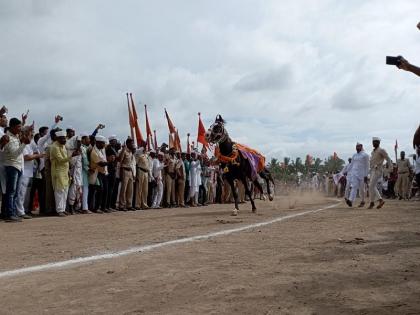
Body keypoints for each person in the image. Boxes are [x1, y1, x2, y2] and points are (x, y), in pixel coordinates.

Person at [3, 118, 31, 222]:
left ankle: (13, 213)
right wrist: (24, 144)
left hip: (18, 166)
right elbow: (15, 154)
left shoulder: (16, 136)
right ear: (12, 127)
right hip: (12, 166)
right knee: (11, 192)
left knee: (15, 192)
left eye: (20, 127)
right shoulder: (8, 137)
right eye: (18, 127)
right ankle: (9, 214)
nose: (20, 129)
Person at [50, 131, 79, 217]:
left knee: (65, 190)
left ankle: (62, 209)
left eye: (65, 138)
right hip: (58, 171)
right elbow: (61, 160)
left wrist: (68, 171)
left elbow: (65, 161)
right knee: (59, 191)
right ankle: (59, 210)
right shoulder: (54, 147)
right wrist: (71, 156)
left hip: (65, 171)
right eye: (62, 138)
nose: (64, 140)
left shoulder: (63, 146)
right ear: (57, 138)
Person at [368, 137, 393, 209]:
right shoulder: (373, 152)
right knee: (371, 186)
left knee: (371, 186)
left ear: (379, 143)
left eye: (376, 142)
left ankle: (380, 200)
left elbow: (388, 159)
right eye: (373, 142)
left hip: (378, 170)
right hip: (372, 170)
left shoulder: (381, 150)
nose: (374, 143)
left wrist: (390, 169)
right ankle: (372, 202)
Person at [345, 143, 369, 207]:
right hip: (354, 174)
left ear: (361, 147)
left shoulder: (365, 155)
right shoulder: (354, 155)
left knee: (361, 189)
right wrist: (345, 171)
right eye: (356, 146)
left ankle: (363, 201)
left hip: (362, 174)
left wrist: (366, 175)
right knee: (354, 187)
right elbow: (351, 165)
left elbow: (367, 166)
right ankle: (350, 200)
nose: (357, 148)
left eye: (358, 146)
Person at [118, 138, 135, 211]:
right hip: (124, 170)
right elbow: (120, 160)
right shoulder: (124, 151)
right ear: (128, 144)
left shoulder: (131, 152)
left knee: (130, 190)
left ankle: (129, 205)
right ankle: (121, 205)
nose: (133, 144)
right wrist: (123, 149)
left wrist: (133, 173)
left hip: (130, 171)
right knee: (123, 189)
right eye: (131, 143)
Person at [134, 145, 150, 210]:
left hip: (146, 172)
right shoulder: (139, 155)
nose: (146, 148)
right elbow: (136, 164)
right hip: (140, 171)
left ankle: (144, 204)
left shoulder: (146, 156)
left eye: (146, 147)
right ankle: (137, 204)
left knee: (145, 190)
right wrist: (136, 174)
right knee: (139, 189)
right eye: (145, 147)